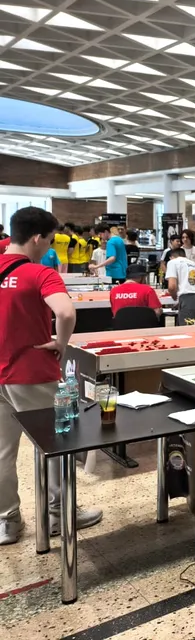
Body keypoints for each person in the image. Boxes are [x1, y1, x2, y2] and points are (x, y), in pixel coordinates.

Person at [0, 207, 102, 546]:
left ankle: (7, 521)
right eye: (48, 241)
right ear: (36, 238)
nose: (49, 248)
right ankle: (59, 513)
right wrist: (61, 342)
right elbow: (65, 312)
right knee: (55, 445)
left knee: (2, 451)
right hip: (32, 373)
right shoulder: (40, 273)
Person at [165, 247, 195, 324]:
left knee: (187, 327)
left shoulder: (172, 262)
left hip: (189, 297)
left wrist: (175, 298)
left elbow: (172, 286)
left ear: (171, 257)